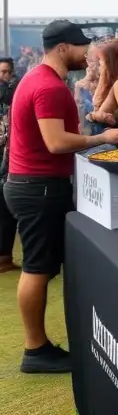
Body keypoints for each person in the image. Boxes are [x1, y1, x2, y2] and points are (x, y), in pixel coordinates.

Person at [3, 21, 118, 374]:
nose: (85, 53)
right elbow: (57, 142)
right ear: (62, 48)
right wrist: (101, 137)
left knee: (41, 266)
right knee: (37, 268)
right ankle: (35, 349)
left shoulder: (36, 78)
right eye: (80, 47)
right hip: (38, 187)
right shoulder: (48, 85)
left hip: (32, 183)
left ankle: (38, 345)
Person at [0, 57, 19, 273]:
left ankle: (4, 256)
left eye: (7, 72)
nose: (5, 76)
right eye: (2, 72)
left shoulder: (14, 90)